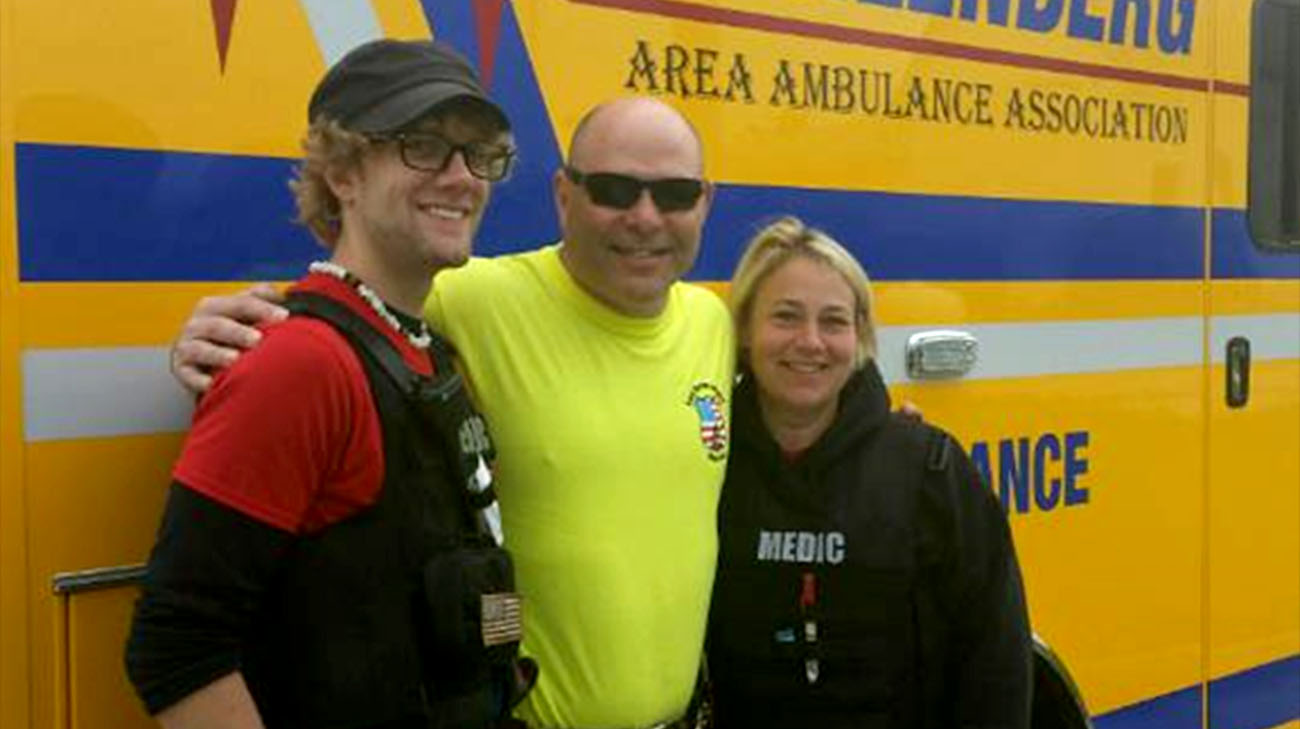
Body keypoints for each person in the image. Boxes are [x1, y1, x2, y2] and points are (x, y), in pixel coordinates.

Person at [168, 96, 733, 729]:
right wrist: (228, 329)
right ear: (564, 196)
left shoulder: (712, 324)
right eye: (613, 189)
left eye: (676, 195)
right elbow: (343, 309)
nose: (646, 217)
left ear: (705, 201)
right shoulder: (472, 298)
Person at [125, 39, 533, 728]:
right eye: (425, 145)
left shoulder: (426, 349)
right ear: (343, 172)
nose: (462, 176)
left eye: (478, 153)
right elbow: (176, 644)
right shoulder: (301, 364)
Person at [705, 216, 1032, 728]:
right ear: (745, 328)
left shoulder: (930, 469)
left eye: (834, 321)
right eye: (786, 317)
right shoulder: (707, 466)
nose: (810, 342)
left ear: (859, 337)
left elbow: (997, 660)